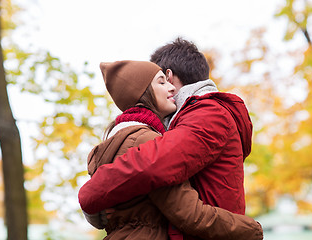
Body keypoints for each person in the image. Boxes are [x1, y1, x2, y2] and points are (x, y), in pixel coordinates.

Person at [79, 39, 262, 238]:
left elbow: (155, 165)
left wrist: (92, 193)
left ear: (169, 75)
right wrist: (250, 230)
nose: (168, 88)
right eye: (159, 83)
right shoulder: (152, 131)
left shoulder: (208, 113)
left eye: (164, 80)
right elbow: (175, 197)